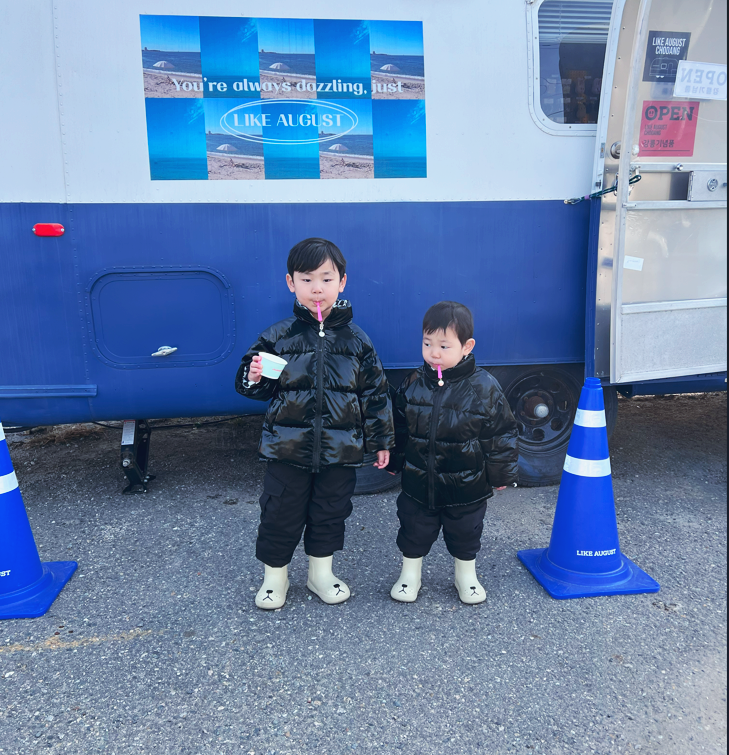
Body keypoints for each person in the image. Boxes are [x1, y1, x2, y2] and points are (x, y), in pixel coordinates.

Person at [236, 238, 394, 610]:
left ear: (342, 282)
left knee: (330, 512)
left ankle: (320, 574)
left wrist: (382, 440)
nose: (317, 288)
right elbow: (253, 388)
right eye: (306, 279)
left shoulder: (358, 341)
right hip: (286, 449)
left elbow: (376, 394)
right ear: (291, 283)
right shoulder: (278, 336)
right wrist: (254, 376)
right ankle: (275, 578)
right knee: (279, 512)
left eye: (326, 278)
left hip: (340, 452)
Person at [386, 301, 518, 604]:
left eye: (444, 346)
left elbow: (500, 433)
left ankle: (466, 576)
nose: (434, 352)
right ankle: (410, 574)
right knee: (413, 527)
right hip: (419, 482)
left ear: (466, 347)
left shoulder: (483, 387)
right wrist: (395, 458)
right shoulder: (413, 382)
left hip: (467, 485)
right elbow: (399, 426)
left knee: (466, 531)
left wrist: (501, 473)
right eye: (427, 343)